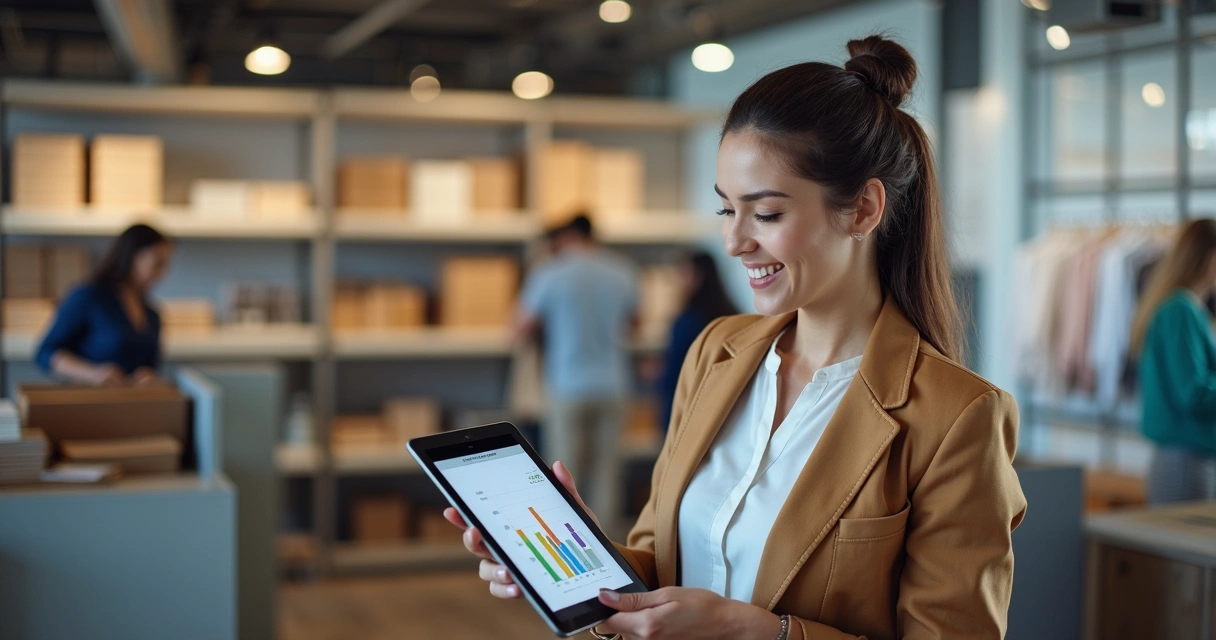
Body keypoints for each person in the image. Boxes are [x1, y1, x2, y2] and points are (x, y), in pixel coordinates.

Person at [448, 35, 1026, 640]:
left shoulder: (959, 418)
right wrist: (584, 563)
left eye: (767, 213)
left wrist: (761, 632)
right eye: (727, 209)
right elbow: (661, 565)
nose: (735, 241)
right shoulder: (717, 352)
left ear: (862, 210)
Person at [515, 214, 639, 534]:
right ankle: (608, 548)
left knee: (563, 473)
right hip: (613, 383)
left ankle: (569, 546)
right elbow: (634, 325)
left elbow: (520, 327)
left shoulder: (550, 273)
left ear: (566, 236)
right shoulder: (623, 270)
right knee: (607, 474)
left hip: (567, 385)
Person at [1130, 218, 1216, 504]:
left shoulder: (1182, 307)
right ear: (1207, 256)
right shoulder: (1182, 309)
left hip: (1184, 458)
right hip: (1185, 461)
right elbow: (1192, 392)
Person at [36, 224, 172, 386]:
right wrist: (92, 373)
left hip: (133, 405)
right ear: (133, 257)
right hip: (89, 401)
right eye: (157, 264)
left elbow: (151, 365)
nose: (161, 274)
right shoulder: (88, 296)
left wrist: (148, 376)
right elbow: (45, 353)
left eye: (165, 265)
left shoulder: (151, 313)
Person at [657, 250, 738, 432]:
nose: (679, 279)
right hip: (723, 411)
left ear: (698, 276)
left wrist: (656, 376)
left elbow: (674, 374)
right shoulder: (733, 315)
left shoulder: (687, 320)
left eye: (684, 272)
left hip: (684, 410)